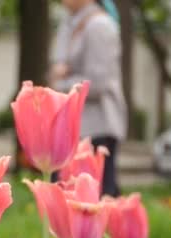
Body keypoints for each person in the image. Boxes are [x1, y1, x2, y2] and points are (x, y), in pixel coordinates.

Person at [51, 0, 127, 196]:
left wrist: (58, 86)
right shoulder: (70, 23)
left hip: (96, 127)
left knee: (94, 201)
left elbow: (97, 84)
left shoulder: (99, 26)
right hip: (75, 127)